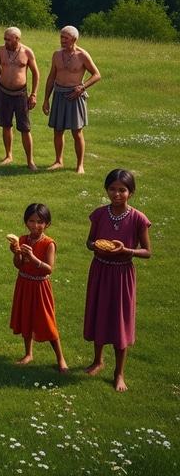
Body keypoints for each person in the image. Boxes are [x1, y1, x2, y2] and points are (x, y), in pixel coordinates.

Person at [83, 168, 151, 392]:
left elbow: (147, 252)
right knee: (99, 314)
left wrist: (126, 250)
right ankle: (97, 360)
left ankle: (119, 372)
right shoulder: (100, 214)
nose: (116, 194)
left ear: (131, 193)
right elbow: (90, 242)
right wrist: (97, 246)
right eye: (112, 189)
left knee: (120, 321)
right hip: (101, 270)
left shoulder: (137, 219)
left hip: (122, 274)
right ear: (106, 190)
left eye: (122, 190)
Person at [8, 203, 69, 373]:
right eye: (31, 221)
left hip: (41, 286)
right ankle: (28, 353)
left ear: (47, 224)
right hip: (24, 284)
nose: (35, 225)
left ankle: (61, 359)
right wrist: (17, 253)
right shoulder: (22, 240)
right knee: (26, 318)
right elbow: (18, 265)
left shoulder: (49, 243)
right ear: (26, 222)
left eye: (40, 222)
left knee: (47, 322)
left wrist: (33, 257)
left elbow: (49, 268)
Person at [41, 25, 101, 173]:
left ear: (74, 39)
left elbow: (96, 74)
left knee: (77, 131)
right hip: (59, 93)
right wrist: (46, 99)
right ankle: (58, 161)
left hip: (75, 95)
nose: (62, 40)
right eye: (61, 37)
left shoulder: (82, 55)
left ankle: (80, 165)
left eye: (65, 38)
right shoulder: (56, 55)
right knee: (58, 130)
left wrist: (83, 87)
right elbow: (51, 76)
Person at [0, 27, 39, 170]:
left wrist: (34, 94)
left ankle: (30, 161)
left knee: (25, 128)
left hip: (20, 94)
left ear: (17, 39)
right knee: (6, 125)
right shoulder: (1, 50)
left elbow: (35, 74)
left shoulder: (27, 52)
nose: (6, 42)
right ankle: (8, 155)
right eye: (5, 39)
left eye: (9, 40)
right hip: (4, 92)